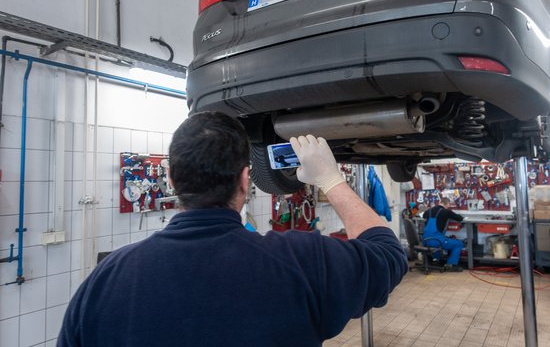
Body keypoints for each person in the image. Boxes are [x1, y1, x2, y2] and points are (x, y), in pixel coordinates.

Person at [58, 112, 408, 347]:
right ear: (245, 180)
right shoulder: (302, 261)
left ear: (171, 179)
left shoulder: (104, 281)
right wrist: (330, 180)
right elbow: (388, 254)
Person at [422, 197, 464, 272]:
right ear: (447, 204)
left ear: (440, 202)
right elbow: (460, 218)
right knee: (458, 244)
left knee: (438, 242)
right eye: (449, 205)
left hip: (425, 240)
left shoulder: (429, 210)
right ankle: (451, 265)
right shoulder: (446, 211)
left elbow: (423, 216)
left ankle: (436, 260)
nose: (448, 207)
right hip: (436, 240)